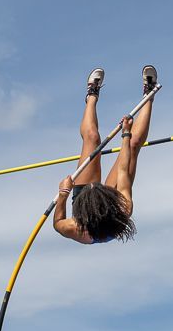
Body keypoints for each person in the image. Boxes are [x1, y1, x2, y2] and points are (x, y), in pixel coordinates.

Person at [54, 65, 157, 245]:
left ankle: (91, 95)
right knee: (132, 146)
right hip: (105, 211)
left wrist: (63, 193)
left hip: (89, 208)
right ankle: (149, 95)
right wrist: (126, 134)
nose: (95, 185)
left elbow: (57, 223)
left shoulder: (73, 226)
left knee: (92, 138)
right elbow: (123, 170)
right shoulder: (123, 207)